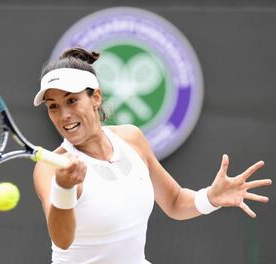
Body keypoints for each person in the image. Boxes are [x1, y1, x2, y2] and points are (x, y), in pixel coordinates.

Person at [33, 47, 272, 264]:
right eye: (53, 106)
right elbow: (62, 240)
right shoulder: (50, 168)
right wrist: (64, 188)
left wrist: (211, 197)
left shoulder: (131, 138)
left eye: (72, 100)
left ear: (96, 97)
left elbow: (175, 201)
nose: (64, 114)